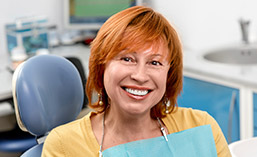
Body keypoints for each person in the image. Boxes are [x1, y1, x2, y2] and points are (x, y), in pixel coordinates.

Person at [42, 6, 231, 157]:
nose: (140, 76)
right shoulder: (63, 146)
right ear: (102, 66)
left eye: (155, 62)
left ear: (168, 74)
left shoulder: (201, 126)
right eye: (127, 59)